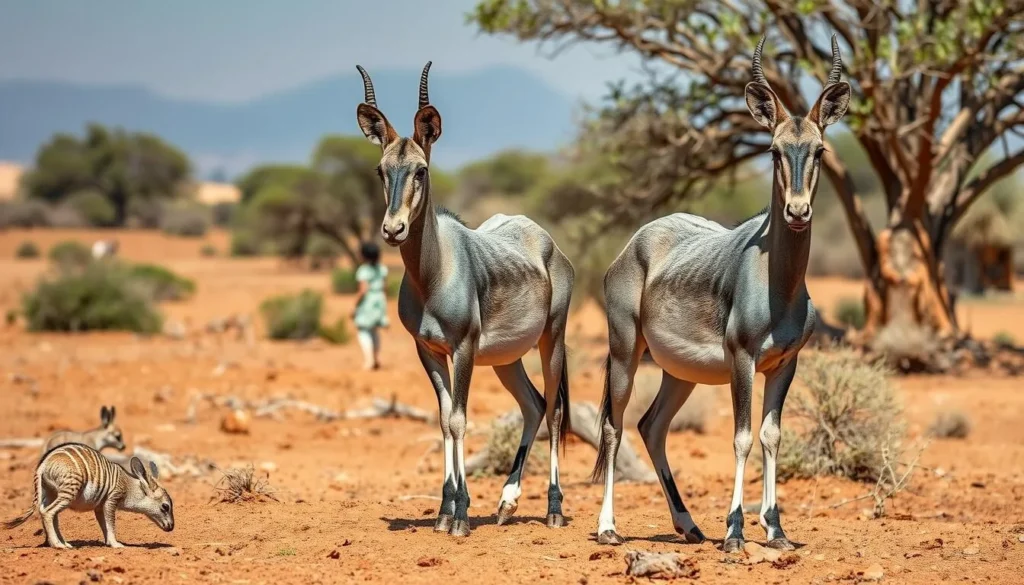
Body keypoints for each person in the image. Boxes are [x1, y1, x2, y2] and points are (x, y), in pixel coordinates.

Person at [353, 241, 389, 370]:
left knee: (363, 331)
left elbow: (363, 290)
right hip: (380, 299)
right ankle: (376, 358)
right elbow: (385, 288)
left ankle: (369, 360)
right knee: (374, 331)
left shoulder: (363, 271)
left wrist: (355, 306)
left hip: (368, 301)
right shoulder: (382, 269)